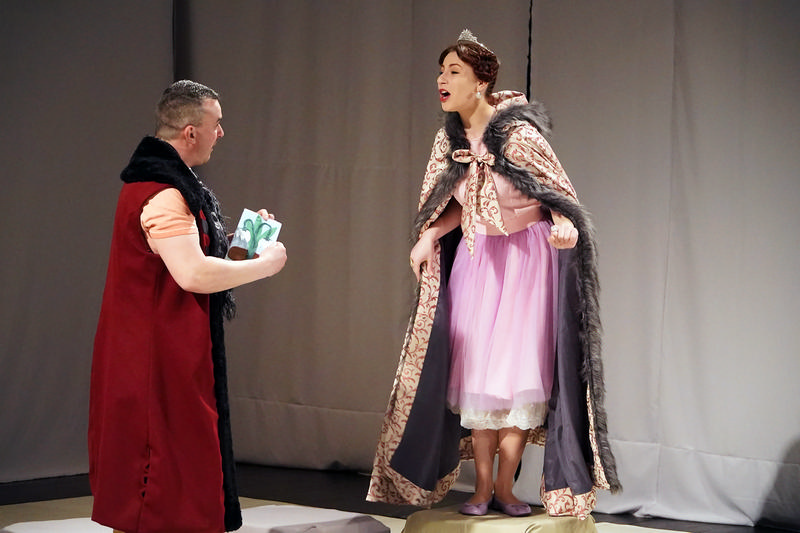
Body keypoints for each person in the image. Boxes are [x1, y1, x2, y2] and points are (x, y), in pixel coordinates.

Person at [367, 30, 620, 520]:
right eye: (441, 71)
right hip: (477, 260)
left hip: (525, 261)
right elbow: (456, 202)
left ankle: (506, 485)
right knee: (478, 374)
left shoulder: (520, 135)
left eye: (454, 72)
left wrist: (565, 223)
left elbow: (557, 195)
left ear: (480, 83)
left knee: (519, 372)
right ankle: (482, 486)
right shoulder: (449, 140)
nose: (442, 80)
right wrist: (429, 233)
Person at [88, 80, 287, 533]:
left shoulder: (167, 185)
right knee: (160, 473)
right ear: (191, 132)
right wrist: (266, 266)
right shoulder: (163, 192)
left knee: (175, 468)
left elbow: (187, 256)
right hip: (155, 356)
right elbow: (192, 273)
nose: (222, 133)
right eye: (217, 124)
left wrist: (245, 246)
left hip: (165, 349)